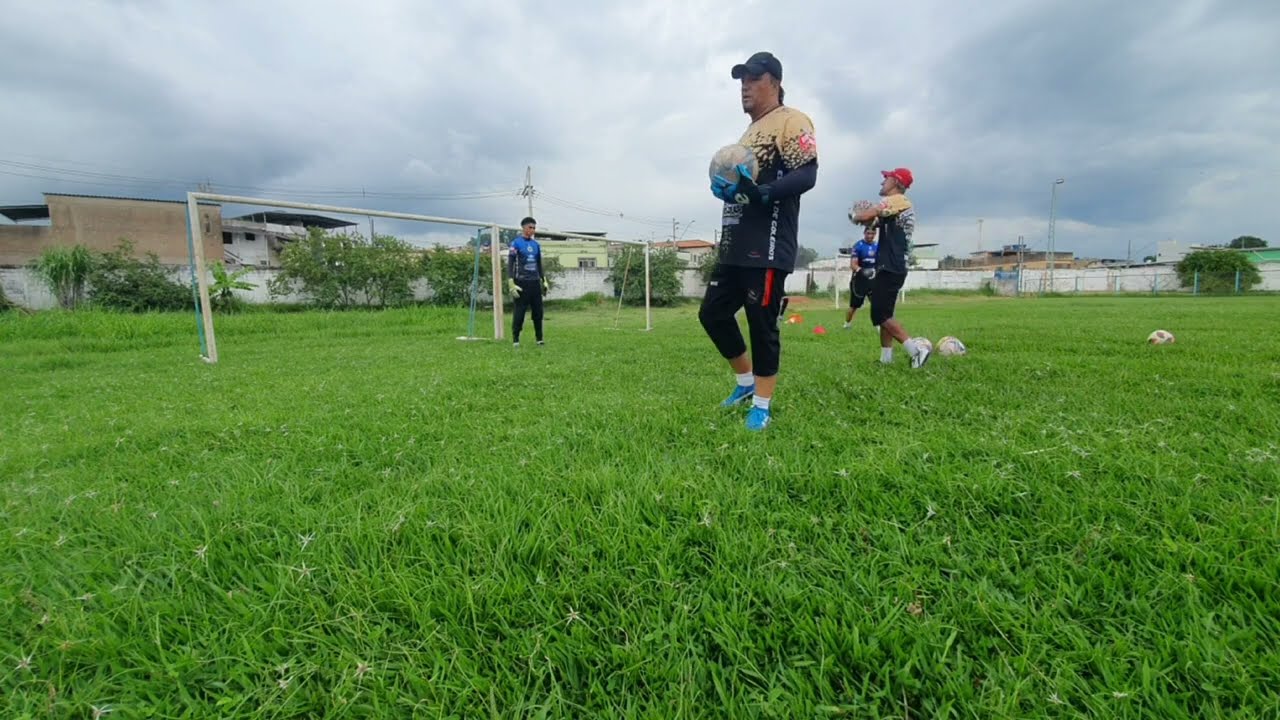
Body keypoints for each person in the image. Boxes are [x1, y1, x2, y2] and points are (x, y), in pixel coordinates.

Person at [702, 51, 819, 431]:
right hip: (735, 242)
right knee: (713, 314)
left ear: (775, 83)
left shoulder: (791, 120)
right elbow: (743, 184)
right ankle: (746, 383)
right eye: (742, 80)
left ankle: (763, 406)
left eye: (753, 79)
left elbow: (808, 174)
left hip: (767, 244)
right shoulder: (748, 134)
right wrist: (728, 188)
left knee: (761, 323)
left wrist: (764, 193)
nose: (745, 87)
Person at [850, 168, 930, 368]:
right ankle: (885, 359)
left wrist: (856, 214)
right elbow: (872, 221)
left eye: (886, 179)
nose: (882, 182)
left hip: (891, 265)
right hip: (891, 265)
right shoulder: (894, 208)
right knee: (885, 313)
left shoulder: (899, 200)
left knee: (880, 314)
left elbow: (873, 213)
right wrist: (863, 218)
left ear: (896, 181)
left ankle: (916, 351)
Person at [507, 216, 548, 346]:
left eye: (534, 228)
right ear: (524, 228)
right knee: (519, 312)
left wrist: (544, 280)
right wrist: (511, 281)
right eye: (530, 227)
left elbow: (539, 264)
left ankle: (539, 339)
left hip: (534, 282)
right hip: (521, 282)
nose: (533, 230)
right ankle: (516, 339)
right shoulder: (516, 243)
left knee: (538, 312)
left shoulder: (536, 245)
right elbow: (510, 263)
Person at [844, 224, 878, 329]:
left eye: (872, 233)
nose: (870, 236)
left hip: (873, 279)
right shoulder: (858, 246)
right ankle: (847, 324)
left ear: (875, 234)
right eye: (868, 233)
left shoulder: (878, 246)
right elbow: (853, 265)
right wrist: (862, 271)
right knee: (854, 306)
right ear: (864, 233)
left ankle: (879, 325)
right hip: (859, 281)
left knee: (877, 304)